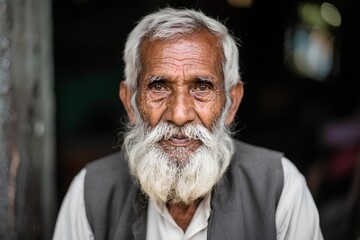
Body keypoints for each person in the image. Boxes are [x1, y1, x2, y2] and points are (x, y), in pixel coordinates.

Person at [53, 8, 323, 240]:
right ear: (129, 102)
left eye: (202, 87)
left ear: (232, 102)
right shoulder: (89, 193)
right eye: (158, 86)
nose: (179, 114)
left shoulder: (280, 188)